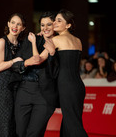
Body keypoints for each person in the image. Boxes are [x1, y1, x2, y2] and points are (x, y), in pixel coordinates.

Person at [30, 9, 88, 137]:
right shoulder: (78, 41)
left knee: (73, 125)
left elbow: (38, 60)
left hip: (66, 86)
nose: (54, 23)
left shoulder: (56, 40)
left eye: (59, 21)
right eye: (55, 20)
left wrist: (34, 42)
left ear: (68, 25)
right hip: (78, 86)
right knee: (69, 122)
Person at [10, 11, 59, 137]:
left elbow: (57, 71)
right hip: (24, 90)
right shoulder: (32, 40)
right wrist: (25, 63)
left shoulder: (61, 44)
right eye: (43, 25)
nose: (45, 28)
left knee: (34, 133)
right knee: (20, 132)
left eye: (49, 24)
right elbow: (16, 64)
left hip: (45, 94)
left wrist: (53, 54)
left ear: (55, 25)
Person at [0, 13, 26, 137]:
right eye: (13, 22)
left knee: (14, 123)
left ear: (23, 28)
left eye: (19, 24)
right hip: (4, 88)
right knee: (4, 123)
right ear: (8, 24)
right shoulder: (2, 42)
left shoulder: (22, 44)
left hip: (18, 88)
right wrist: (14, 61)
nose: (15, 26)